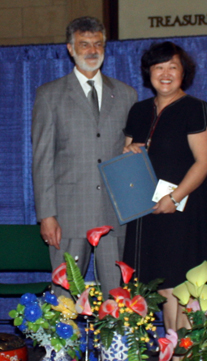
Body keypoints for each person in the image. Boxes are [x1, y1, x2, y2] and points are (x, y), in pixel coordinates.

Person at [122, 42, 207, 361]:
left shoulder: (195, 108)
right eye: (158, 67)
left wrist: (174, 198)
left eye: (172, 67)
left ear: (183, 72)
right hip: (148, 211)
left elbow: (205, 162)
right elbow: (129, 153)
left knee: (184, 287)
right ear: (149, 73)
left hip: (184, 209)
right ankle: (173, 356)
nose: (165, 74)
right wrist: (130, 148)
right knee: (163, 288)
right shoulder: (138, 110)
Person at [32, 16, 137, 296]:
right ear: (70, 48)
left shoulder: (127, 95)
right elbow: (42, 159)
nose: (92, 50)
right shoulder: (49, 95)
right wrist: (46, 216)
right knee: (64, 299)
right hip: (68, 216)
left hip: (115, 213)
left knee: (119, 298)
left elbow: (133, 153)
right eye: (84, 44)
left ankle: (118, 342)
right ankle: (62, 342)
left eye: (98, 44)